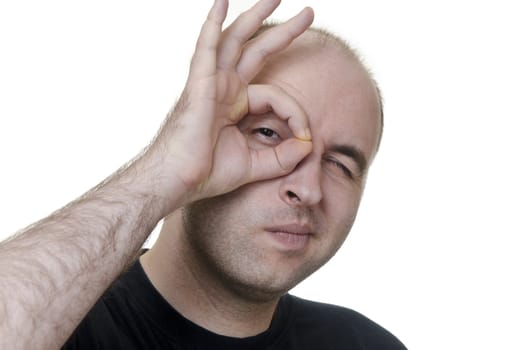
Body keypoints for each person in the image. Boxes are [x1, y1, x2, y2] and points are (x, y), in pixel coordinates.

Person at [0, 0, 406, 349]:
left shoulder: (364, 344)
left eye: (340, 164)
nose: (308, 189)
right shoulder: (60, 322)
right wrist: (164, 170)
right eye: (267, 133)